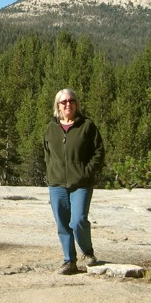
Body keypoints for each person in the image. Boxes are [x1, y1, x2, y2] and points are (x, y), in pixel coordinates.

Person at [43, 88, 106, 275]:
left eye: (71, 101)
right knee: (62, 224)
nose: (68, 104)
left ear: (76, 104)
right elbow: (47, 153)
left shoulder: (87, 126)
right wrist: (51, 172)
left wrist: (86, 173)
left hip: (81, 183)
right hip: (57, 184)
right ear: (58, 106)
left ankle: (87, 252)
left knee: (78, 220)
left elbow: (99, 152)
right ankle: (69, 261)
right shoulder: (51, 128)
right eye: (63, 102)